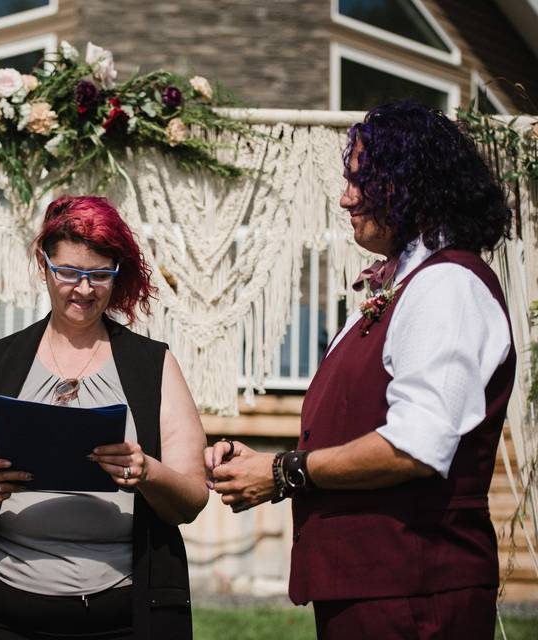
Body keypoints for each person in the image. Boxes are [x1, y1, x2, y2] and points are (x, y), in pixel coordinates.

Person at [205, 100, 515, 639]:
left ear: (412, 186)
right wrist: (261, 464)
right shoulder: (405, 286)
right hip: (377, 589)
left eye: (361, 181)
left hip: (415, 591)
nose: (346, 197)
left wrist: (283, 473)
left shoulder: (447, 286)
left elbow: (416, 445)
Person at [0, 196, 208, 640]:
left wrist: (146, 472)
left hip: (123, 617)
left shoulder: (153, 366)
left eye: (100, 275)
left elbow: (192, 498)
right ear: (44, 265)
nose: (84, 288)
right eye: (69, 273)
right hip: (5, 617)